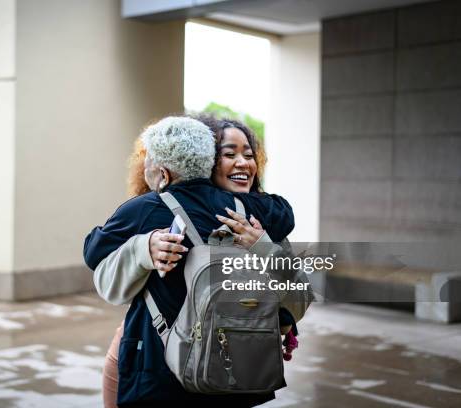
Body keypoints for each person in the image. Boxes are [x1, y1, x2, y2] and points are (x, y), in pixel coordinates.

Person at [94, 117, 310, 407]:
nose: (243, 163)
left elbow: (298, 297)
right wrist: (144, 248)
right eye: (229, 153)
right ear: (205, 161)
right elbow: (109, 276)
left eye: (248, 154)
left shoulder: (262, 221)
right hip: (164, 367)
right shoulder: (158, 214)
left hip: (233, 374)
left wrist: (263, 249)